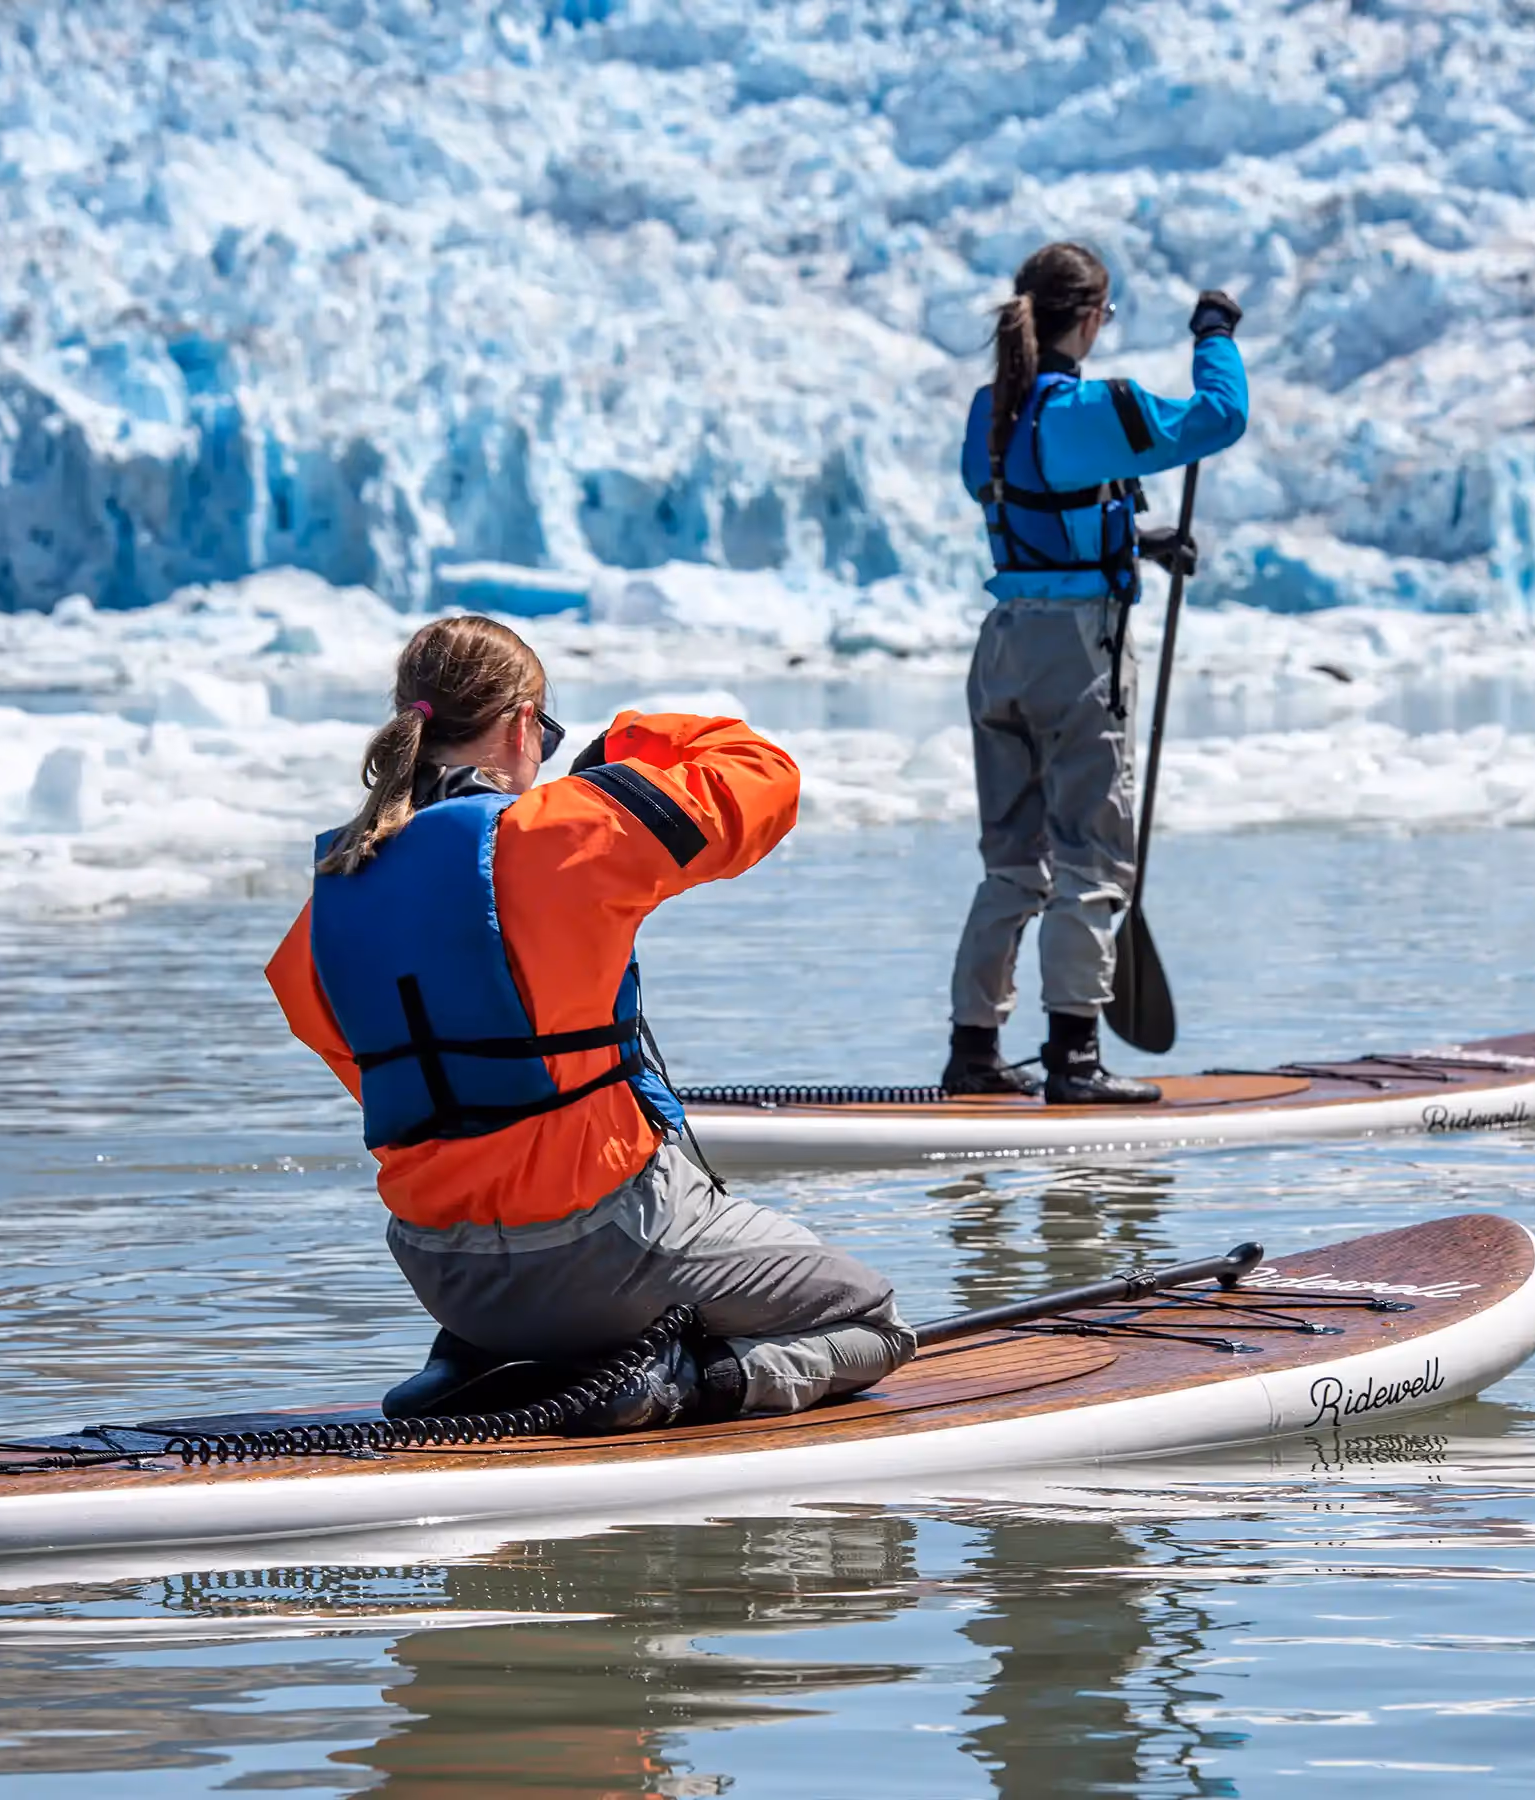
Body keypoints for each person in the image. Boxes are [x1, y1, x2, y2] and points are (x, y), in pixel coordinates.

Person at [267, 616, 915, 1431]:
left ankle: (474, 1353)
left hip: (444, 1273)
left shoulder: (327, 904)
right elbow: (766, 777)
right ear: (522, 724)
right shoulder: (561, 832)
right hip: (605, 1250)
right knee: (873, 1322)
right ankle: (674, 1385)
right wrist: (627, 742)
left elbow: (397, 1085)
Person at [943, 241, 1251, 1105]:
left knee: (1013, 862)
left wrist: (1134, 541)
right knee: (1088, 856)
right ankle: (1074, 1060)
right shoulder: (1090, 409)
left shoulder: (987, 413)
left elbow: (1047, 512)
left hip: (1002, 643)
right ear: (1088, 317)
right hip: (1076, 653)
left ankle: (974, 1050)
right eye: (1105, 315)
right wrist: (1214, 333)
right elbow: (1218, 417)